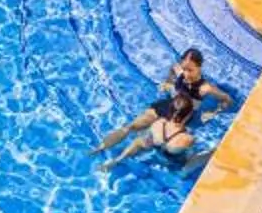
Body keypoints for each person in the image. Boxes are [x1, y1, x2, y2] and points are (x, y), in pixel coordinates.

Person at [96, 48, 231, 151]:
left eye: (190, 70)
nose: (186, 74)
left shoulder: (205, 88)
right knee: (131, 126)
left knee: (147, 142)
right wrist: (168, 82)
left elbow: (227, 100)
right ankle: (98, 149)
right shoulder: (179, 71)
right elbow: (173, 68)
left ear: (199, 67)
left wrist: (214, 112)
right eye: (184, 68)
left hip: (181, 117)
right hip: (167, 106)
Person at [106, 86, 203, 169]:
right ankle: (182, 173)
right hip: (171, 159)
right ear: (188, 115)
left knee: (138, 141)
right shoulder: (188, 138)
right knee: (196, 157)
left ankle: (118, 159)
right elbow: (190, 155)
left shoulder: (158, 123)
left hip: (156, 142)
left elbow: (145, 138)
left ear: (170, 110)